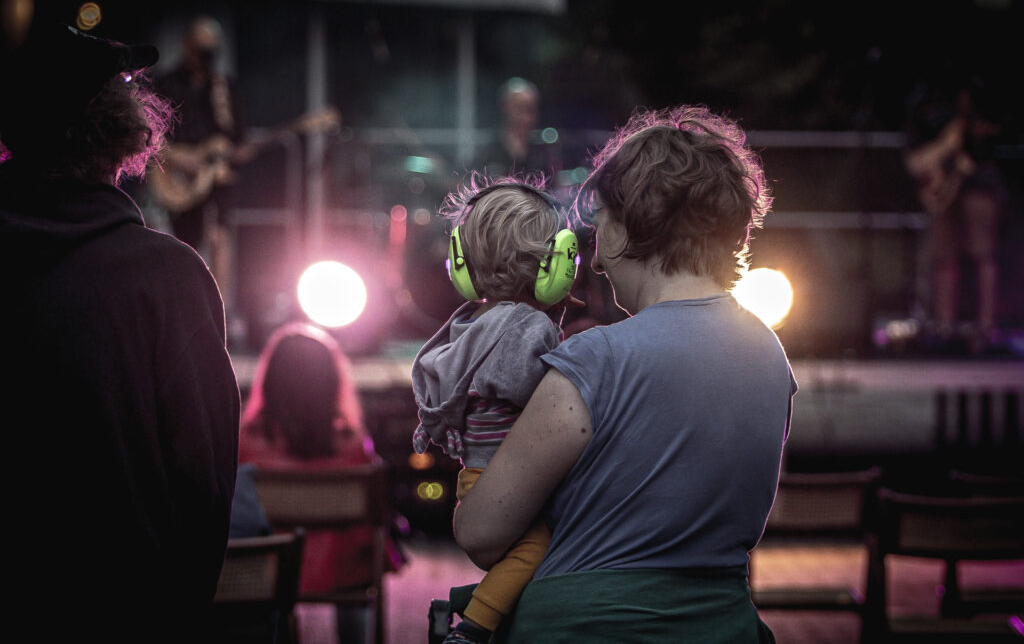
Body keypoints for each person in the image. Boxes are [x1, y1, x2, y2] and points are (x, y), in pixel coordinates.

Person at [453, 106, 797, 643]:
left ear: (633, 222)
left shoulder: (596, 359)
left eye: (601, 226)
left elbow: (482, 533)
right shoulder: (769, 353)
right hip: (721, 629)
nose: (594, 262)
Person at [0, 24, 240, 642]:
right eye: (128, 85)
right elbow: (206, 480)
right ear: (120, 128)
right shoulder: (169, 276)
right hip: (130, 610)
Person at [411, 175, 580, 644]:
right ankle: (474, 627)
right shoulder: (530, 328)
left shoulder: (466, 324)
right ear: (557, 266)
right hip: (512, 482)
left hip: (477, 479)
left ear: (461, 263)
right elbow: (540, 398)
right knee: (538, 549)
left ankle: (476, 603)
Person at [238, 322, 404, 642]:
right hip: (342, 573)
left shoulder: (247, 443)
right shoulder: (350, 443)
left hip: (268, 573)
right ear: (331, 381)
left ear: (270, 380)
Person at [152, 15, 249, 327]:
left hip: (218, 176)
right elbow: (150, 136)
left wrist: (239, 150)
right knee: (185, 243)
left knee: (221, 237)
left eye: (212, 51)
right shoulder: (166, 83)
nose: (206, 57)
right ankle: (182, 309)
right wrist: (180, 158)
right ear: (187, 46)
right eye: (201, 50)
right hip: (180, 176)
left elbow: (236, 136)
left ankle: (217, 312)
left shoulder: (223, 86)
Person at [904, 70, 1007, 354]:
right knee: (942, 256)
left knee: (983, 252)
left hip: (979, 179)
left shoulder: (981, 90)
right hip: (944, 185)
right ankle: (945, 327)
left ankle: (986, 328)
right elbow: (915, 153)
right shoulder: (927, 98)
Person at [472, 78, 561, 181]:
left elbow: (553, 187)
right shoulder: (487, 152)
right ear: (505, 108)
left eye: (530, 109)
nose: (525, 116)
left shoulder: (543, 153)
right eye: (519, 108)